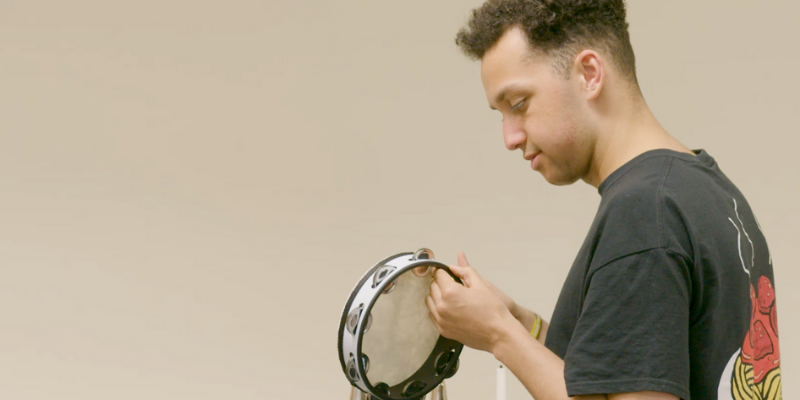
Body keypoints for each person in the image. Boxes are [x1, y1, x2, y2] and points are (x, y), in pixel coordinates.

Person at [424, 1, 782, 400]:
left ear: (589, 75)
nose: (509, 137)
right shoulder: (708, 191)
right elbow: (617, 372)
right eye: (501, 114)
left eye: (519, 104)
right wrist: (522, 325)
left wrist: (499, 334)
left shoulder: (645, 213)